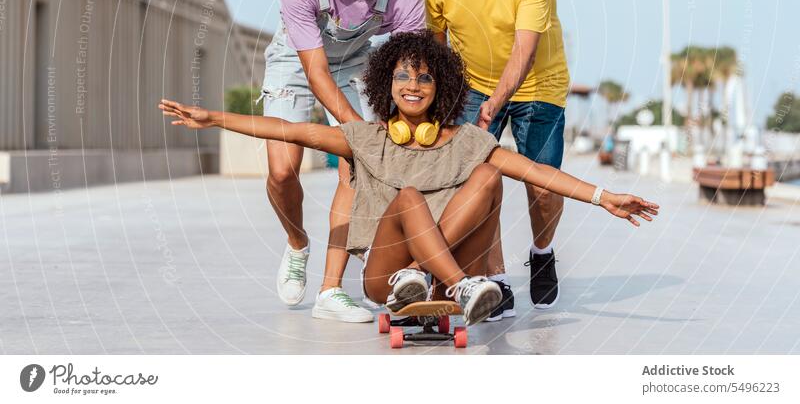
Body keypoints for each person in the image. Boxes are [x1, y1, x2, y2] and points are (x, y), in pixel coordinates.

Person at [159, 32, 659, 326]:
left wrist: (604, 196)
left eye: (423, 78)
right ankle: (462, 288)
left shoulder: (465, 140)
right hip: (386, 278)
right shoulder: (367, 138)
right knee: (411, 196)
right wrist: (214, 117)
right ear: (386, 86)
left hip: (442, 266)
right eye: (402, 77)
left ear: (440, 88)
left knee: (491, 177)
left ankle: (451, 282)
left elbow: (538, 172)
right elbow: (292, 128)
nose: (413, 86)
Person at [260, 0, 425, 322]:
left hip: (354, 62)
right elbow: (315, 72)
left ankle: (331, 291)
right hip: (296, 62)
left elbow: (408, 68)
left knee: (356, 165)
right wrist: (360, 132)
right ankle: (298, 245)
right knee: (281, 171)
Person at [426, 0, 572, 319]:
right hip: (472, 84)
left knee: (542, 185)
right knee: (476, 182)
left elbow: (525, 48)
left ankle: (542, 250)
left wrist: (498, 99)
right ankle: (497, 280)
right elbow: (435, 45)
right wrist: (439, 102)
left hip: (538, 83)